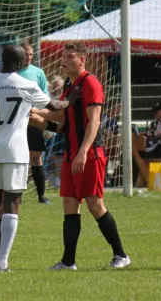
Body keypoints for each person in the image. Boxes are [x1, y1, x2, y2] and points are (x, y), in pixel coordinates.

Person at [0, 45, 69, 272]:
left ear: (2, 60)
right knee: (12, 203)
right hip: (15, 150)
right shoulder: (27, 84)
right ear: (21, 63)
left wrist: (1, 119)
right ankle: (2, 263)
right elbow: (54, 105)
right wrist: (71, 99)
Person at [35, 42, 131, 270]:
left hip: (89, 155)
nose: (65, 60)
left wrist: (83, 152)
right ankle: (68, 262)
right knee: (69, 204)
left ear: (82, 60)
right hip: (71, 155)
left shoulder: (90, 83)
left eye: (70, 56)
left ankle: (121, 255)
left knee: (95, 205)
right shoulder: (70, 86)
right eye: (64, 56)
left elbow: (95, 120)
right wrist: (37, 116)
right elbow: (64, 120)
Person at [18, 39, 51, 204]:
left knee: (36, 157)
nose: (29, 57)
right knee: (20, 158)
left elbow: (45, 98)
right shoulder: (12, 73)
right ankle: (17, 194)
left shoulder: (38, 73)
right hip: (17, 121)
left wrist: (46, 120)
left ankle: (41, 196)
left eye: (31, 54)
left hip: (34, 120)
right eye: (26, 54)